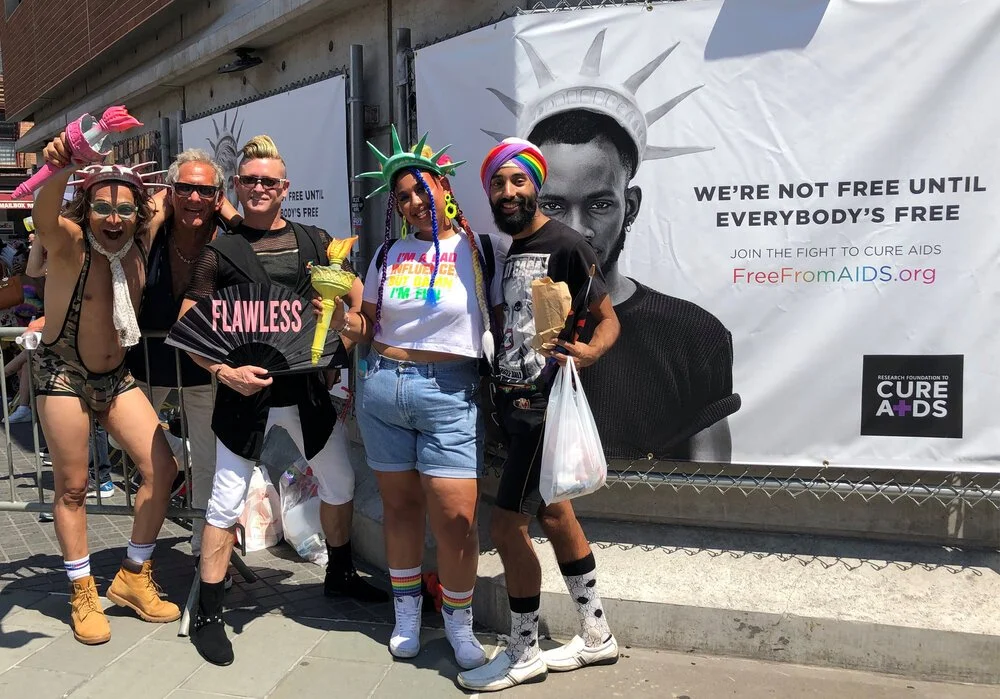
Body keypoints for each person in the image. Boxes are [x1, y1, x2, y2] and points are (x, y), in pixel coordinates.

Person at [181, 135, 386, 666]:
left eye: (268, 181)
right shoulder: (218, 253)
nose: (258, 189)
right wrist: (223, 370)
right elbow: (189, 326)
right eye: (249, 180)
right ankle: (209, 610)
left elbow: (360, 319)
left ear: (285, 188)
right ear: (237, 186)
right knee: (226, 501)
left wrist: (341, 321)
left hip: (307, 391)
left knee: (339, 482)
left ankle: (339, 573)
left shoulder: (317, 243)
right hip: (243, 395)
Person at [457, 139, 621, 692]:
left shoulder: (567, 244)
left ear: (536, 186)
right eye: (499, 185)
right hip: (512, 404)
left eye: (519, 182)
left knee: (506, 526)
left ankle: (523, 651)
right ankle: (597, 634)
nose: (508, 192)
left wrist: (591, 353)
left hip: (542, 404)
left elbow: (607, 321)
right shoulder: (505, 251)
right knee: (556, 517)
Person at [346, 128, 506, 669]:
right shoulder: (388, 253)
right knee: (399, 509)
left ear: (443, 185)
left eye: (421, 190)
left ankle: (458, 622)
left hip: (452, 391)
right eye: (402, 197)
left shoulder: (479, 249)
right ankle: (408, 613)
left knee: (458, 519)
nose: (413, 203)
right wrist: (343, 319)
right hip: (385, 387)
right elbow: (367, 324)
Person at [31, 135, 182, 645]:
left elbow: (168, 197)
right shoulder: (70, 241)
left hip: (116, 378)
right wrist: (62, 166)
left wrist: (222, 186)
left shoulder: (140, 239)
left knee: (163, 468)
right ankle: (82, 590)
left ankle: (132, 576)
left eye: (123, 209)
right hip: (63, 373)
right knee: (73, 487)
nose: (113, 219)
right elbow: (44, 214)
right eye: (102, 206)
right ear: (87, 207)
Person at [527, 111, 740, 462]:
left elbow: (712, 494)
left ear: (631, 207)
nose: (579, 229)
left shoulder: (694, 335)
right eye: (554, 206)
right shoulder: (500, 325)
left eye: (599, 204)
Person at [126, 148, 224, 562]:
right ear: (170, 193)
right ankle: (172, 458)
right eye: (184, 188)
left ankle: (203, 542)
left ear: (218, 196)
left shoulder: (225, 237)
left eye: (204, 190)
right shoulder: (154, 235)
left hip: (203, 367)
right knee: (126, 440)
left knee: (208, 460)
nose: (194, 198)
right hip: (148, 361)